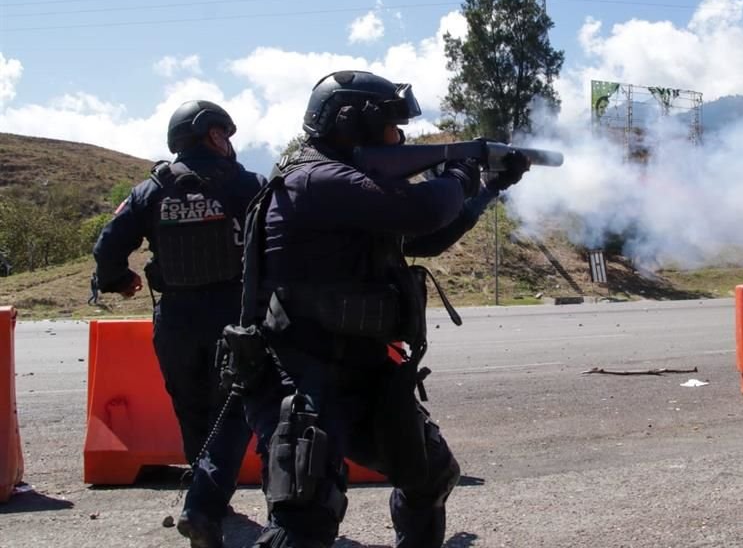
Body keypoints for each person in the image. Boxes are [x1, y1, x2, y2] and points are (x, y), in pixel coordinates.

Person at [235, 70, 530, 548]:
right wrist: (461, 166)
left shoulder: (351, 185)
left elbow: (429, 237)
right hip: (303, 373)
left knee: (430, 476)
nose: (401, 138)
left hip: (362, 369)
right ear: (355, 124)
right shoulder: (316, 178)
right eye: (393, 127)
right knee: (304, 521)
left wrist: (487, 188)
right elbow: (421, 211)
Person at [92, 100, 267, 548]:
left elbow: (107, 246)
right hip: (235, 315)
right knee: (232, 410)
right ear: (212, 135)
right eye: (225, 135)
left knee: (191, 408)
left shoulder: (151, 189)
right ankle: (205, 504)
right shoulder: (248, 184)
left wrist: (118, 280)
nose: (229, 144)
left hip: (175, 320)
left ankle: (207, 499)